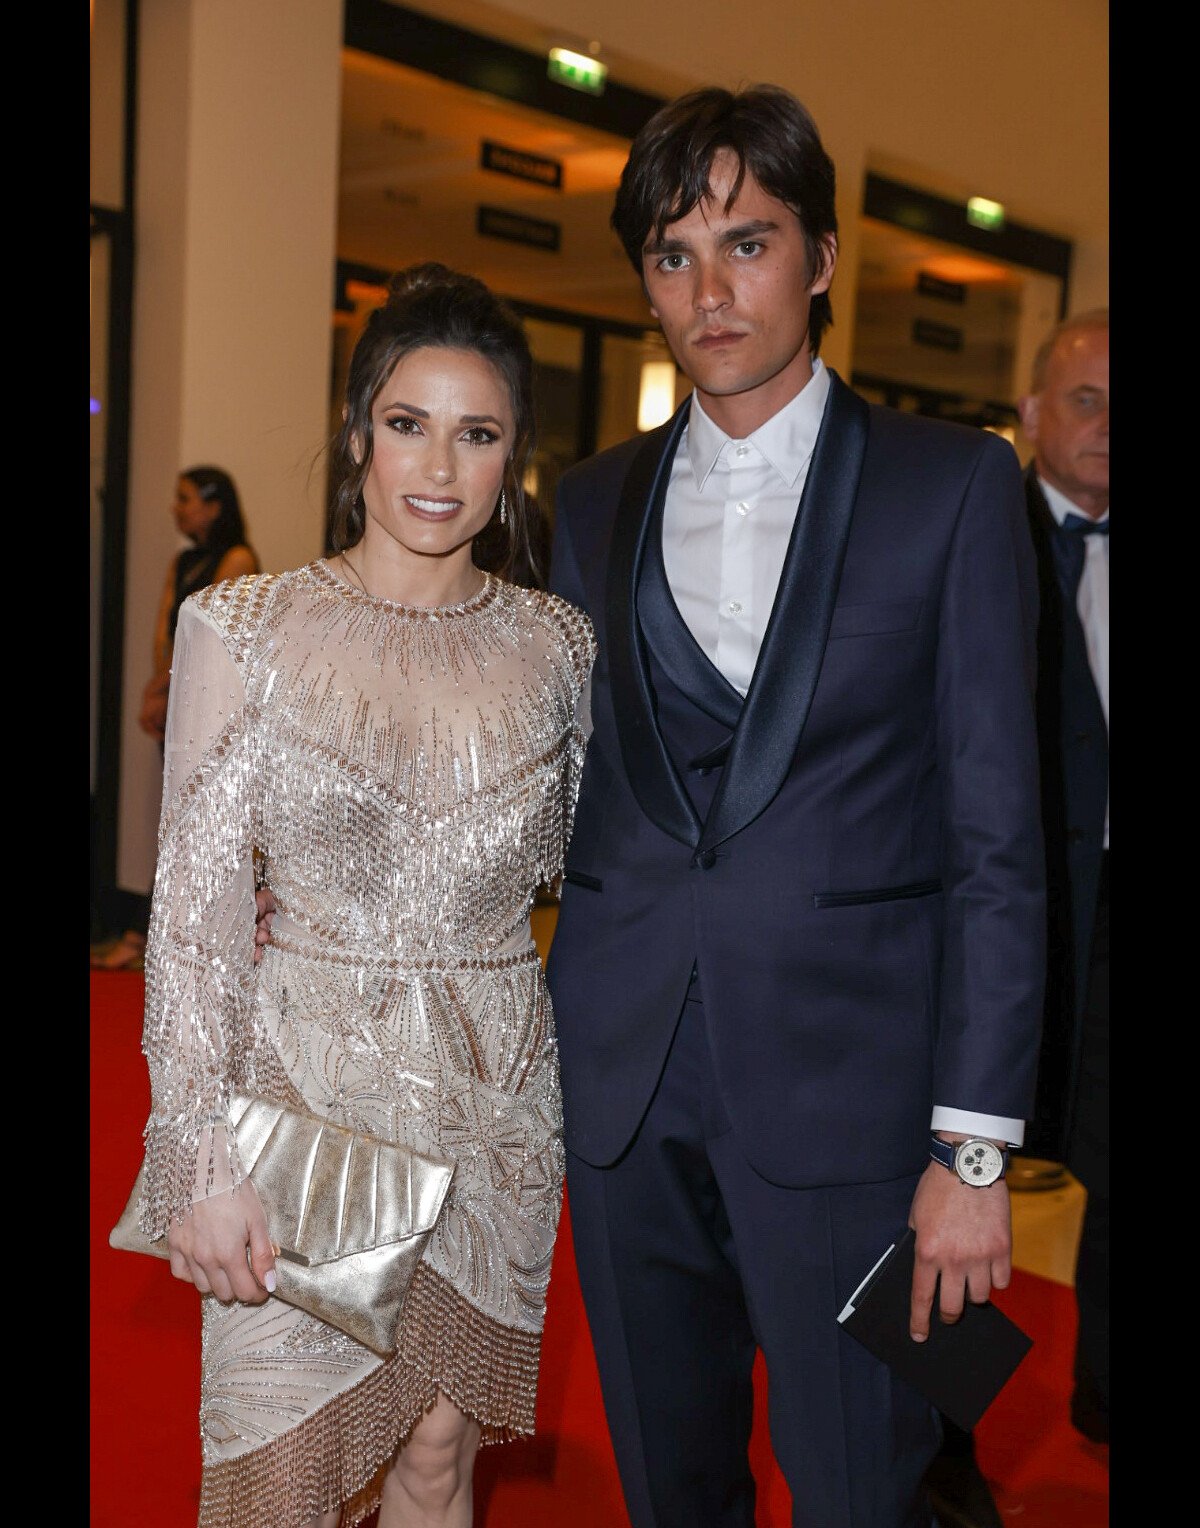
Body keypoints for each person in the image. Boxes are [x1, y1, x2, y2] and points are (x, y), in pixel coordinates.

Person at [543, 85, 1045, 1527]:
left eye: (747, 245)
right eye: (673, 256)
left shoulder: (954, 491)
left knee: (859, 1489)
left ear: (823, 258)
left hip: (858, 1106)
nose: (710, 290)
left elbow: (999, 846)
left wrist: (973, 1154)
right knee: (667, 1483)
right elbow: (550, 791)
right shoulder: (593, 503)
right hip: (623, 1090)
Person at [133, 262, 595, 1528]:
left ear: (514, 458)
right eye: (407, 423)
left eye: (478, 431)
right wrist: (199, 1160)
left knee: (440, 1464)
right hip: (307, 1095)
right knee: (278, 1475)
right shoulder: (245, 628)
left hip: (496, 1112)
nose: (438, 464)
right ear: (357, 437)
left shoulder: (559, 650)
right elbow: (193, 925)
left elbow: (615, 869)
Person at [1016, 309, 1109, 1442]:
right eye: (1085, 400)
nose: (1105, 426)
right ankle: (934, 1451)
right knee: (959, 1184)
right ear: (1033, 414)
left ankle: (1101, 1397)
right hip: (1010, 917)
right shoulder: (977, 537)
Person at [91, 465, 258, 970]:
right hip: (180, 701)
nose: (177, 508)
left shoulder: (238, 558)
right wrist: (158, 691)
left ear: (214, 505)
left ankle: (188, 936)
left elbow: (215, 639)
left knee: (209, 822)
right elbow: (166, 633)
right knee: (179, 820)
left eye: (186, 499)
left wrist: (165, 691)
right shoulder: (183, 560)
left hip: (216, 707)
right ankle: (157, 935)